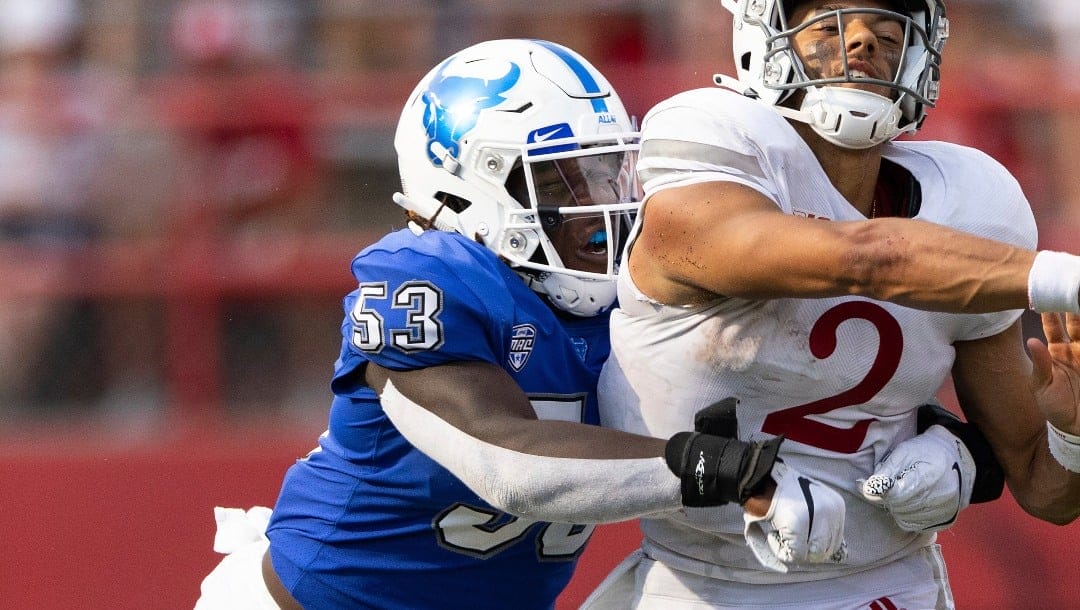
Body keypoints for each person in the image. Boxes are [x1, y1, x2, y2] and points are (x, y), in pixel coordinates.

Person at [194, 37, 999, 610]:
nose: (600, 204)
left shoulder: (631, 285)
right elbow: (510, 462)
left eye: (611, 170)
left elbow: (801, 371)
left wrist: (949, 443)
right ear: (464, 187)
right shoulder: (431, 280)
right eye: (566, 181)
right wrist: (725, 470)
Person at [591, 0, 1080, 608]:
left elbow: (1048, 490)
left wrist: (1073, 433)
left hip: (896, 587)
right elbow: (864, 258)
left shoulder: (974, 199)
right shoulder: (708, 142)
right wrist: (1063, 277)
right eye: (827, 26)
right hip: (704, 588)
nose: (863, 44)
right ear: (764, 36)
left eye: (888, 30)